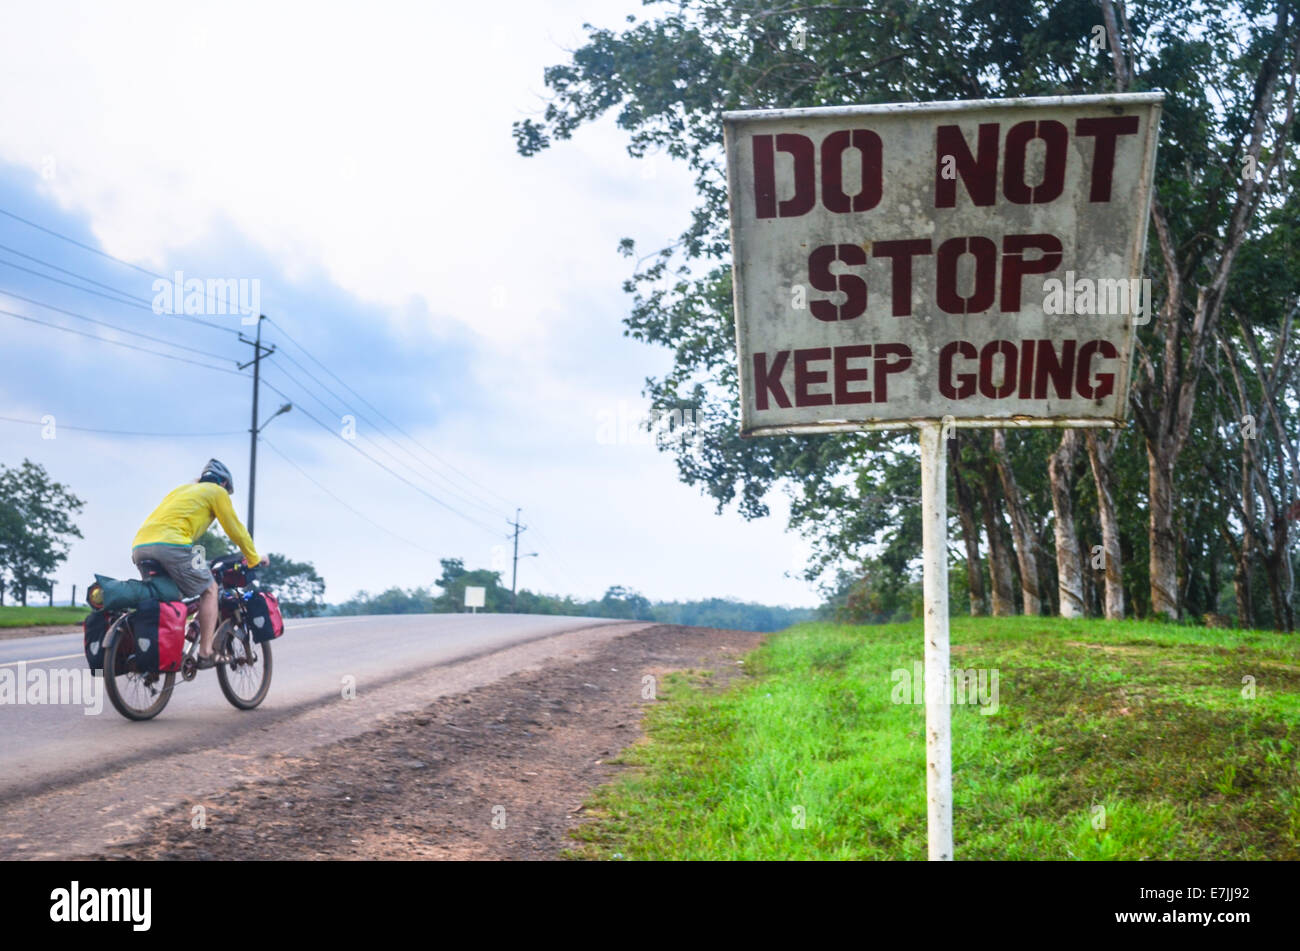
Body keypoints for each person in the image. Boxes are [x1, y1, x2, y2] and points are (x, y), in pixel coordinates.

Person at [131, 459, 262, 669]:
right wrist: (254, 558)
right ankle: (205, 652)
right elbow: (236, 530)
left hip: (140, 546)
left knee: (168, 599)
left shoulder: (183, 490)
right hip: (170, 545)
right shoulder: (216, 492)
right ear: (224, 484)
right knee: (209, 589)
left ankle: (156, 650)